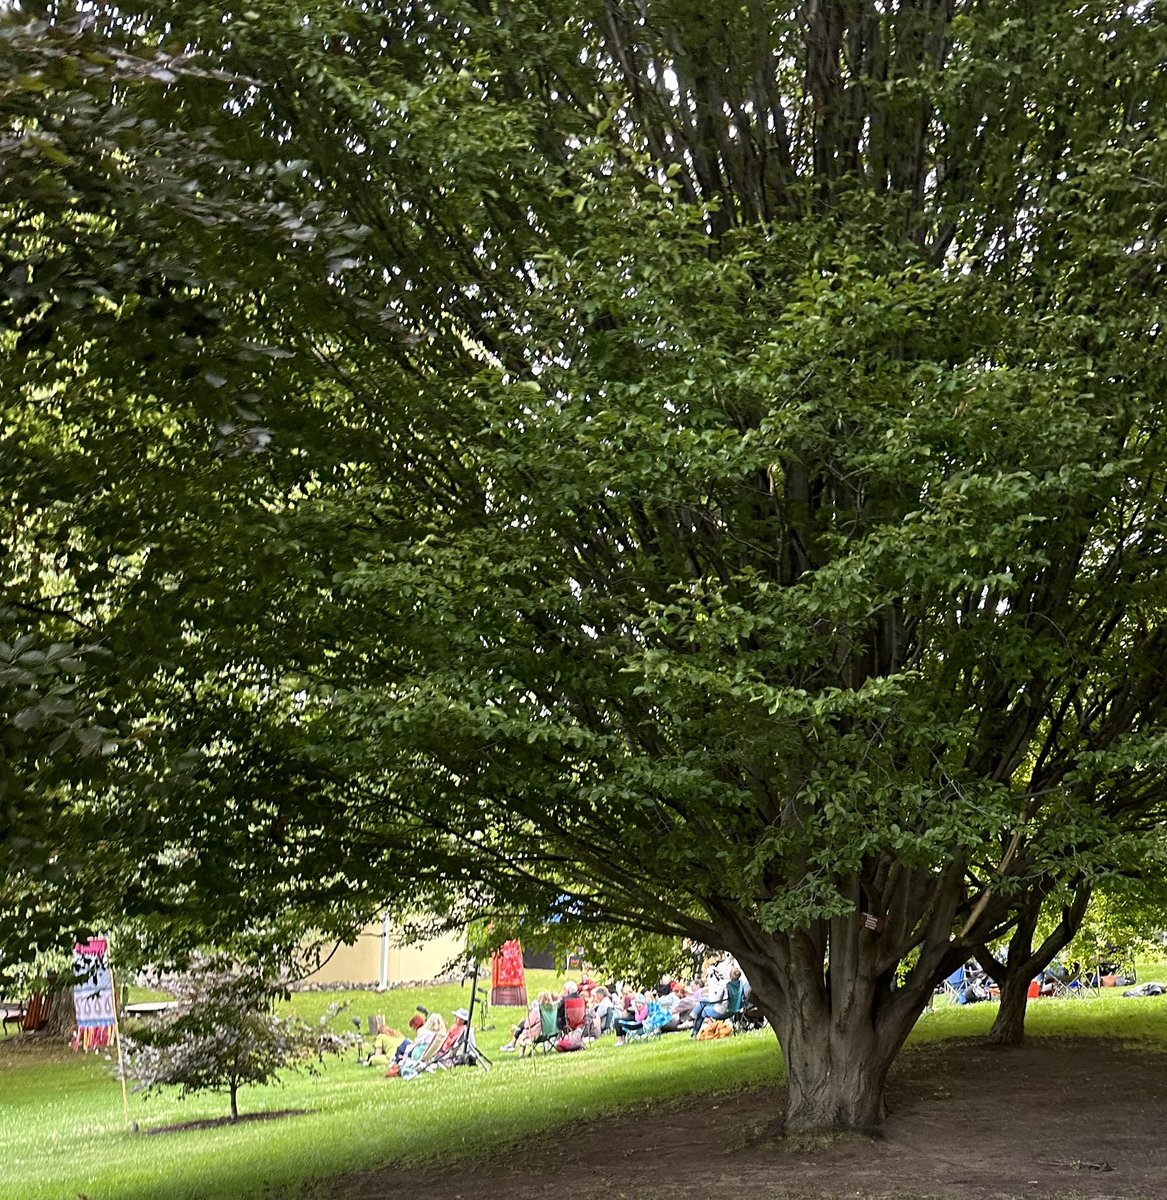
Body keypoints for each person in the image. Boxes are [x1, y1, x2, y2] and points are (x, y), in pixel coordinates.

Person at [691, 960, 729, 1037]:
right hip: (727, 1007)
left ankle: (694, 1029)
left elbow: (717, 999)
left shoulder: (723, 985)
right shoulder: (731, 984)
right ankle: (693, 1015)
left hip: (721, 1010)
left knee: (702, 1006)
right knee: (703, 1003)